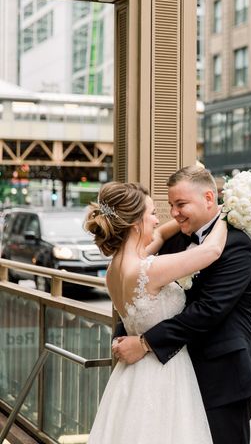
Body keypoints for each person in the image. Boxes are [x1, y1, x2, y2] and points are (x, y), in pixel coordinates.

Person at [113, 165, 251, 444]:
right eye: (171, 205)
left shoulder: (237, 244)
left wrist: (145, 342)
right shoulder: (174, 239)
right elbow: (142, 290)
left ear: (209, 199)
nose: (173, 213)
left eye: (181, 204)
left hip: (222, 378)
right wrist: (124, 332)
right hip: (172, 377)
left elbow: (209, 310)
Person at [84, 181, 228, 443]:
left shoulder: (114, 269)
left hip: (132, 374)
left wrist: (184, 221)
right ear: (135, 222)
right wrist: (228, 214)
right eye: (151, 213)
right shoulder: (147, 270)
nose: (156, 219)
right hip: (163, 373)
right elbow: (212, 250)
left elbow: (160, 235)